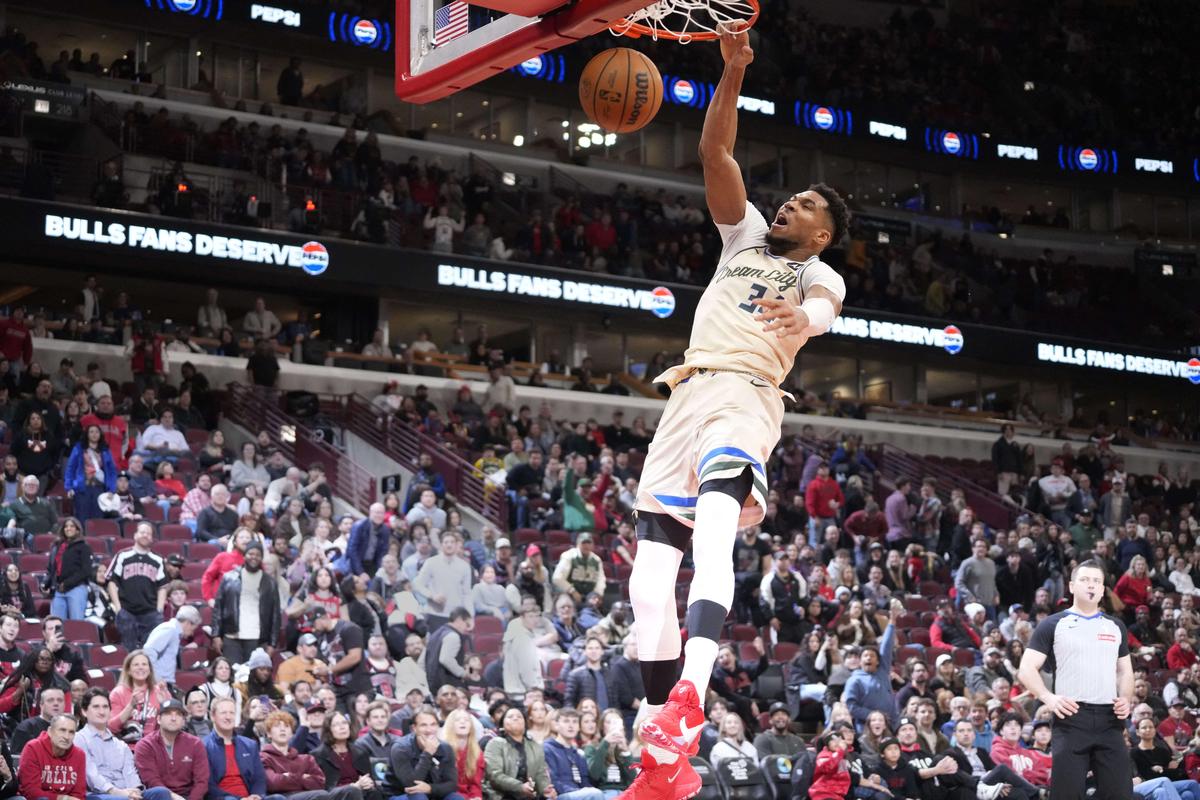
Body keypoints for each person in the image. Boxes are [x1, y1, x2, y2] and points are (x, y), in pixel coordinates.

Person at [622, 25, 849, 800]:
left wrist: (804, 323)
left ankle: (691, 690)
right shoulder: (744, 238)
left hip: (747, 396)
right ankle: (665, 766)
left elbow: (823, 309)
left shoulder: (820, 273)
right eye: (791, 196)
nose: (790, 204)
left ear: (822, 233)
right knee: (647, 592)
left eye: (806, 205)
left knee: (716, 529)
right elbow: (717, 155)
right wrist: (731, 71)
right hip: (686, 395)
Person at [1017, 559, 1132, 799]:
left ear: (1102, 590)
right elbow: (1026, 668)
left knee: (1120, 793)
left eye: (1097, 581)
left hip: (1110, 719)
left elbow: (1124, 671)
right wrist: (1048, 698)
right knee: (1067, 794)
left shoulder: (1116, 626)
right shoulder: (1053, 624)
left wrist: (1126, 698)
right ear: (1071, 586)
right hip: (1070, 718)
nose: (1091, 585)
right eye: (1085, 580)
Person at [76, 687, 173, 800]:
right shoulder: (79, 739)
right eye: (96, 707)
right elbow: (91, 775)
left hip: (126, 793)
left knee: (161, 792)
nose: (102, 711)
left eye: (105, 707)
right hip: (98, 794)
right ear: (84, 711)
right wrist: (118, 792)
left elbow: (130, 773)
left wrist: (135, 790)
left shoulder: (121, 745)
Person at [264, 709, 362, 800]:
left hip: (313, 794)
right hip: (285, 797)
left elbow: (320, 782)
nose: (282, 730)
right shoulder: (264, 757)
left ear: (292, 733)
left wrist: (288, 776)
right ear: (269, 733)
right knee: (320, 795)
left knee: (351, 790)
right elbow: (274, 783)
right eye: (277, 726)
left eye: (286, 726)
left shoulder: (306, 758)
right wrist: (303, 777)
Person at [212, 541, 282, 664]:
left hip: (257, 638)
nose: (254, 557)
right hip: (232, 636)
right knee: (233, 676)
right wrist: (216, 635)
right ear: (244, 556)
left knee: (252, 677)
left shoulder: (270, 583)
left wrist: (272, 643)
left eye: (257, 554)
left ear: (261, 558)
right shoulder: (229, 578)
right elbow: (218, 608)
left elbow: (275, 614)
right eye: (250, 553)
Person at [205, 695, 285, 800]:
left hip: (250, 797)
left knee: (278, 798)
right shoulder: (203, 746)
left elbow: (259, 778)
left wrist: (257, 795)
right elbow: (208, 785)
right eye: (223, 713)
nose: (228, 717)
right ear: (212, 716)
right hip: (224, 798)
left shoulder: (250, 745)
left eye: (232, 713)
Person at [107, 519, 167, 651]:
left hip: (150, 613)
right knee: (129, 651)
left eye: (148, 533)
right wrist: (118, 608)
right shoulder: (122, 555)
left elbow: (162, 587)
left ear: (152, 538)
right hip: (127, 611)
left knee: (151, 651)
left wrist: (159, 610)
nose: (145, 535)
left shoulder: (158, 559)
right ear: (135, 535)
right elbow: (111, 581)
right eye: (142, 532)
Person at [134, 697, 211, 800]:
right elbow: (152, 781)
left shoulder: (195, 743)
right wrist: (174, 797)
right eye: (168, 713)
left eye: (178, 714)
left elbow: (202, 781)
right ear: (158, 719)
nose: (173, 718)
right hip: (160, 797)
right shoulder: (145, 745)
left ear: (184, 721)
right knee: (161, 792)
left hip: (189, 797)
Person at [842, 604, 902, 730]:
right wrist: (874, 717)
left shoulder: (883, 670)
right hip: (866, 727)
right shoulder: (854, 680)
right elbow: (851, 707)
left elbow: (886, 646)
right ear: (860, 661)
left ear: (878, 661)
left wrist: (892, 621)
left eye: (872, 656)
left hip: (890, 725)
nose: (869, 658)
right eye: (865, 656)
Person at [388, 706, 463, 800]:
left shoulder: (446, 748)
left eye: (433, 724)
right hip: (400, 794)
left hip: (432, 793)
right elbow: (411, 785)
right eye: (423, 725)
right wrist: (427, 753)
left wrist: (430, 788)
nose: (429, 730)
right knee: (419, 797)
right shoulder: (400, 748)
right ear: (414, 728)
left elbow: (452, 785)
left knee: (456, 798)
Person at [483, 707, 554, 800]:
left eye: (519, 717)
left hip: (529, 796)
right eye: (510, 717)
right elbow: (494, 775)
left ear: (525, 724)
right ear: (502, 725)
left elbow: (540, 773)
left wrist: (545, 789)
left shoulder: (534, 746)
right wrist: (520, 787)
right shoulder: (495, 744)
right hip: (501, 795)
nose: (515, 718)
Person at [18, 714, 87, 800]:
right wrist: (62, 798)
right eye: (62, 730)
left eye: (71, 732)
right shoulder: (33, 748)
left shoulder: (79, 754)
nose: (66, 737)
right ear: (50, 731)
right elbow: (31, 792)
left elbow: (79, 794)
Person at [544, 709, 603, 800]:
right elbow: (553, 781)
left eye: (575, 722)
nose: (571, 726)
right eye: (566, 721)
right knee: (595, 794)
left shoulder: (578, 754)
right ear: (556, 725)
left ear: (579, 727)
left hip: (578, 794)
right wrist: (577, 791)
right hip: (559, 795)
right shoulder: (547, 748)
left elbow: (584, 781)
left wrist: (585, 789)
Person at [47, 516, 94, 620]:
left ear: (78, 530)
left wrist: (68, 583)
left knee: (76, 623)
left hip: (77, 589)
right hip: (59, 590)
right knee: (56, 623)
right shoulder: (57, 547)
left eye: (72, 526)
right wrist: (47, 585)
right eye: (66, 526)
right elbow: (52, 568)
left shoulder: (84, 547)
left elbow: (86, 571)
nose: (68, 528)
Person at [142, 605, 202, 686]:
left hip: (164, 682)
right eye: (193, 629)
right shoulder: (169, 629)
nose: (192, 633)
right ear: (188, 623)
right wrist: (156, 678)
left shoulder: (174, 631)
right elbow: (149, 651)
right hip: (158, 683)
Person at [426, 607, 473, 692]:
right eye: (467, 624)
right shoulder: (453, 636)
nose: (467, 629)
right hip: (447, 686)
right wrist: (462, 673)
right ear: (459, 619)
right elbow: (445, 659)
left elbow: (424, 659)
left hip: (433, 684)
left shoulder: (435, 634)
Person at [444, 708, 485, 800]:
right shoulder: (444, 750)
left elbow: (476, 784)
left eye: (466, 720)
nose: (463, 722)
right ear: (451, 726)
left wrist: (476, 797)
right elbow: (445, 786)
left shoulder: (477, 753)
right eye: (458, 720)